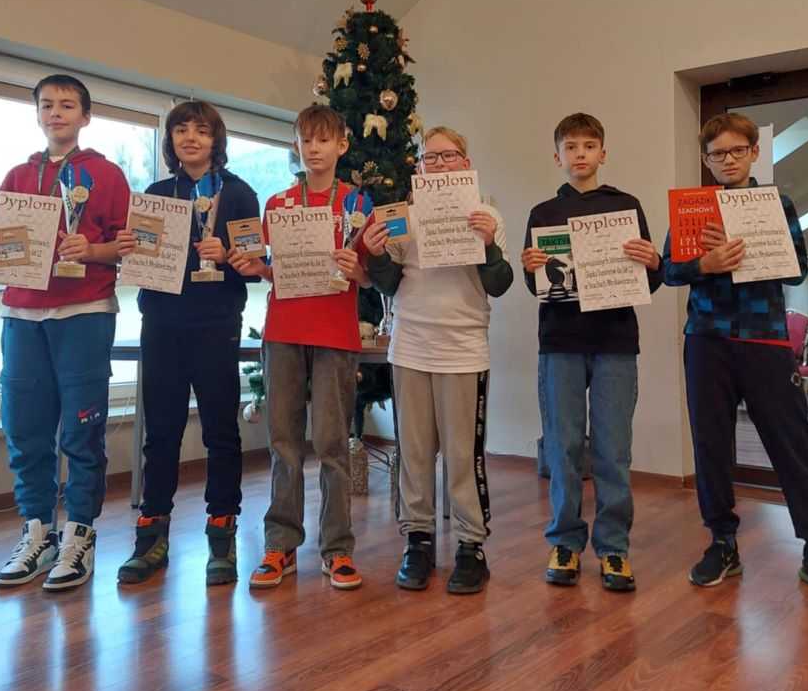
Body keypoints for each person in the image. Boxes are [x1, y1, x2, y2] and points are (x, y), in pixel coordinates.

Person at [0, 74, 130, 590]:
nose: (55, 113)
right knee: (25, 427)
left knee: (82, 429)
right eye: (46, 105)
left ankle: (79, 533)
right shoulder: (17, 174)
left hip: (84, 312)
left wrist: (93, 249)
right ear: (37, 114)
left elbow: (132, 246)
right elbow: (6, 242)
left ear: (86, 116)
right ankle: (38, 532)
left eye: (66, 105)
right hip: (21, 315)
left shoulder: (107, 174)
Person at [663, 111, 808, 595]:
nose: (728, 160)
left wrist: (745, 251)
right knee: (711, 444)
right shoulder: (692, 208)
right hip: (706, 339)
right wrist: (705, 264)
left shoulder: (777, 203)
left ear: (755, 152)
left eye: (738, 150)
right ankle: (722, 543)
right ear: (706, 159)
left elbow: (797, 269)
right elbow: (669, 271)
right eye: (718, 153)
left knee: (791, 442)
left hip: (765, 337)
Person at [362, 126, 513, 594]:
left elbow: (500, 283)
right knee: (414, 451)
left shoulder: (487, 215)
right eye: (431, 157)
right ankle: (418, 540)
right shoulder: (402, 218)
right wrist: (375, 256)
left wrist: (488, 244)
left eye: (450, 156)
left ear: (466, 163)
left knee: (464, 455)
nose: (441, 164)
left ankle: (471, 545)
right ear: (420, 167)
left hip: (464, 349)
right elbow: (389, 283)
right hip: (410, 347)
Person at [114, 101, 259, 586]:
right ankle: (151, 537)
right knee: (161, 433)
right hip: (161, 325)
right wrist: (130, 251)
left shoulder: (240, 194)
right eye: (181, 130)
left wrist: (230, 254)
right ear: (171, 140)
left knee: (221, 433)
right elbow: (140, 262)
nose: (190, 138)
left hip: (217, 326)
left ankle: (222, 535)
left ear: (217, 139)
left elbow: (255, 267)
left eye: (201, 130)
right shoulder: (156, 196)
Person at [228, 104, 371, 590]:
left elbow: (370, 278)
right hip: (284, 332)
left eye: (323, 140)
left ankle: (337, 549)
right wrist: (258, 269)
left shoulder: (357, 203)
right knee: (284, 444)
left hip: (335, 335)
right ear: (296, 146)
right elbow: (277, 270)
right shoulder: (278, 204)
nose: (314, 148)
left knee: (332, 445)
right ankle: (281, 545)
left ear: (341, 146)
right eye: (306, 140)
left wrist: (358, 270)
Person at [521, 112, 662, 591]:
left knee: (612, 448)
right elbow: (536, 286)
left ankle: (614, 547)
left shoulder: (626, 206)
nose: (579, 154)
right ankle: (564, 542)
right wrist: (530, 267)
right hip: (559, 342)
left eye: (588, 146)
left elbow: (650, 280)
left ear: (603, 153)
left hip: (615, 342)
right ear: (556, 155)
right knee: (562, 446)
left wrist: (654, 261)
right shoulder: (542, 213)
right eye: (570, 147)